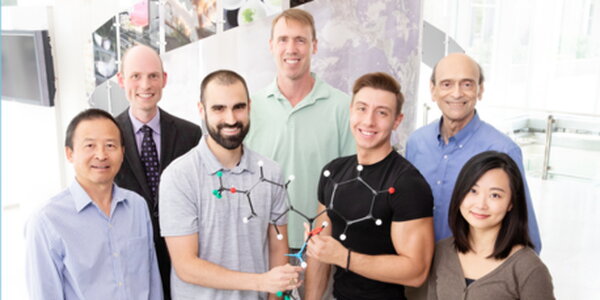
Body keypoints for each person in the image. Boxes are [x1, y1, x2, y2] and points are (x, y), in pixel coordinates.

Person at [158, 70, 302, 299]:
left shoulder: (271, 172)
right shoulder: (178, 176)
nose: (231, 119)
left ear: (249, 107)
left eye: (238, 107)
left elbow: (278, 249)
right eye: (219, 108)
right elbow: (186, 266)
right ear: (201, 110)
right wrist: (260, 282)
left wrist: (274, 293)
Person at [304, 72, 434, 300]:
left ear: (397, 121)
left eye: (381, 113)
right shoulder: (332, 172)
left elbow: (417, 272)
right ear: (351, 111)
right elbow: (320, 253)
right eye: (362, 108)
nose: (369, 121)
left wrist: (344, 257)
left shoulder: (408, 183)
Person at [405, 53, 542, 252]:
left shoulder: (502, 150)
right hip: (417, 264)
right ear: (433, 90)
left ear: (480, 90)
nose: (457, 93)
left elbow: (523, 225)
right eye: (446, 84)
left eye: (467, 84)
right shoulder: (417, 142)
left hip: (471, 271)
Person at [245, 8, 355, 250]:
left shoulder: (343, 107)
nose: (291, 49)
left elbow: (352, 183)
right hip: (263, 244)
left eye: (300, 40)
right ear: (271, 45)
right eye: (283, 39)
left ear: (314, 46)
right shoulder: (249, 108)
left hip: (321, 246)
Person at [25, 108, 162, 300]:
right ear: (70, 153)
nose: (101, 155)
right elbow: (45, 294)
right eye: (89, 146)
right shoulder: (47, 220)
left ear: (122, 153)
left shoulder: (137, 206)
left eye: (110, 145)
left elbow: (152, 281)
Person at [115, 44, 203, 299]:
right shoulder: (107, 137)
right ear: (121, 80)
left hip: (182, 256)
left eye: (153, 76)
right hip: (128, 260)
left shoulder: (190, 135)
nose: (145, 85)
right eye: (136, 76)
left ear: (164, 80)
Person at [417, 151, 555, 299]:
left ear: (511, 203)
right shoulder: (442, 251)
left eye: (495, 195)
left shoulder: (529, 269)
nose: (481, 204)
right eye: (473, 191)